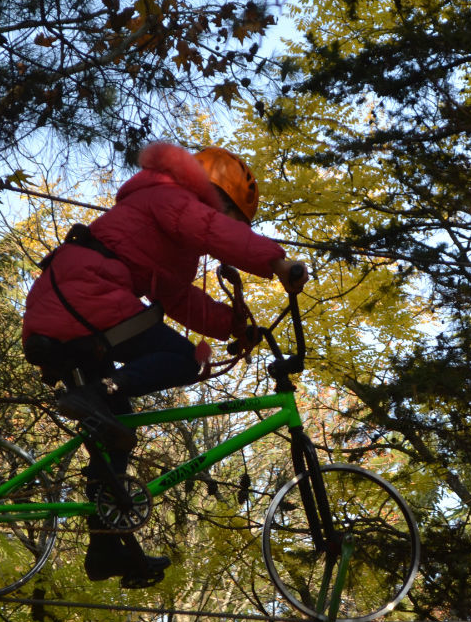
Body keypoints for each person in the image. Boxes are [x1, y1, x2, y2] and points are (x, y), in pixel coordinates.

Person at [21, 142, 306, 588]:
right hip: (83, 295)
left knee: (114, 429)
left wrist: (233, 327)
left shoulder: (162, 228)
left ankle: (106, 546)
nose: (230, 226)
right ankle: (100, 392)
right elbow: (212, 229)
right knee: (180, 359)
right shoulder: (171, 197)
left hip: (64, 303)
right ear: (214, 195)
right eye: (233, 214)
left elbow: (174, 295)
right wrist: (275, 260)